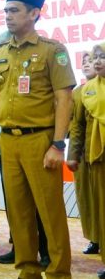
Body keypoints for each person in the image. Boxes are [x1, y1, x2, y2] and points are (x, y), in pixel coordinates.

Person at [0, 0, 75, 279]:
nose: (8, 16)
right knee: (18, 212)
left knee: (50, 212)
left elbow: (64, 98)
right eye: (6, 11)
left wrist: (58, 144)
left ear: (34, 13)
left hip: (41, 140)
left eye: (14, 10)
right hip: (8, 141)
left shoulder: (52, 50)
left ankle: (59, 272)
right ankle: (27, 270)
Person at [68, 43, 105, 278]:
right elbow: (77, 126)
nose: (97, 61)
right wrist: (73, 155)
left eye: (103, 57)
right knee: (102, 211)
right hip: (97, 159)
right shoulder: (85, 91)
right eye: (95, 57)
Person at [67, 51, 99, 255]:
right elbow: (75, 126)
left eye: (91, 61)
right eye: (84, 62)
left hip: (100, 154)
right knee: (86, 198)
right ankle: (94, 238)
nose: (86, 64)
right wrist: (72, 155)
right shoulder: (77, 93)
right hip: (82, 154)